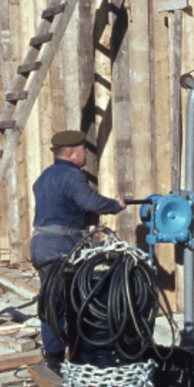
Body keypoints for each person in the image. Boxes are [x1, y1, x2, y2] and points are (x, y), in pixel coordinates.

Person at [30, 130, 126, 370]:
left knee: (52, 302)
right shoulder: (72, 176)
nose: (86, 152)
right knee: (79, 302)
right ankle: (81, 357)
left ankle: (53, 357)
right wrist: (115, 205)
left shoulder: (45, 176)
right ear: (72, 154)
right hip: (61, 246)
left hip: (41, 245)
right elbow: (91, 202)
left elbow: (62, 206)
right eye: (83, 149)